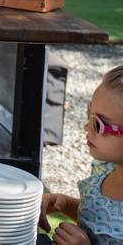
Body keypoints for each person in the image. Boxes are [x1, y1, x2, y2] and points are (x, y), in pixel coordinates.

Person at [40, 65, 123, 245]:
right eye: (89, 113)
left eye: (98, 124)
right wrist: (64, 203)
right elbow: (102, 216)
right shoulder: (105, 168)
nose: (86, 127)